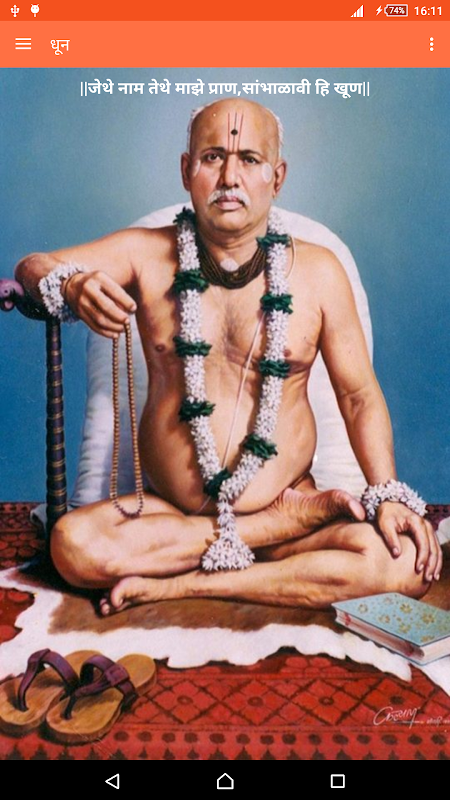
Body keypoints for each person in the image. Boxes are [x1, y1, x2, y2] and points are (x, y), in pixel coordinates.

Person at [15, 98, 442, 614]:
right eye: (213, 157)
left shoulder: (319, 270)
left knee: (405, 564)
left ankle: (178, 585)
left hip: (284, 508)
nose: (229, 178)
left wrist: (387, 493)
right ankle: (261, 531)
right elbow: (33, 266)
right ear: (185, 170)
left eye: (249, 159)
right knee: (73, 545)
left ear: (277, 177)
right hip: (173, 517)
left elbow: (358, 396)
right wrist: (70, 283)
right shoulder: (144, 253)